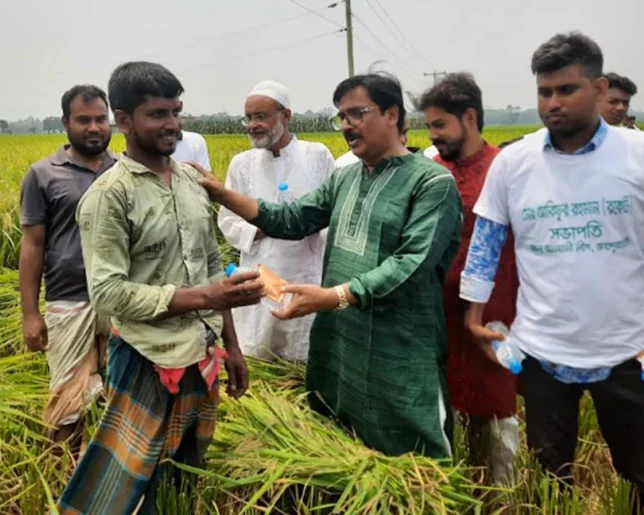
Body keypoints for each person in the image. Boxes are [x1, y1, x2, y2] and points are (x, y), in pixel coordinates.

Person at [198, 73, 463, 459]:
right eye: (341, 117)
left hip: (399, 343)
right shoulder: (346, 178)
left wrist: (333, 297)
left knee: (411, 451)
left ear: (392, 114)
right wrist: (222, 193)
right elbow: (292, 219)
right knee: (344, 440)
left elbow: (411, 262)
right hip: (341, 339)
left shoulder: (432, 183)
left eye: (357, 113)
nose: (347, 125)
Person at [460, 32, 644, 512]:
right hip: (542, 352)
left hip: (630, 351)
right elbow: (486, 241)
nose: (552, 103)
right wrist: (473, 315)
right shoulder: (515, 162)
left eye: (566, 90)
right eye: (544, 92)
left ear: (600, 87)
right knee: (549, 482)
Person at [58, 61, 265, 514]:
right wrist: (205, 297)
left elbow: (212, 265)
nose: (172, 124)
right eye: (157, 114)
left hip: (201, 355)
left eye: (176, 111)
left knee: (183, 477)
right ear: (124, 120)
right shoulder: (110, 196)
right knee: (120, 487)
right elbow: (107, 293)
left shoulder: (192, 181)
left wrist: (233, 347)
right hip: (146, 356)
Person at [415, 72, 520, 485]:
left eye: (440, 125)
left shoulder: (504, 169)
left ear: (470, 118)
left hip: (494, 312)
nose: (433, 135)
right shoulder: (430, 172)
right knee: (444, 405)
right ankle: (454, 488)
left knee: (495, 410)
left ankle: (501, 495)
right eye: (429, 126)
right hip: (438, 315)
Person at [19, 84, 117, 454]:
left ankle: (108, 473)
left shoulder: (125, 170)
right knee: (67, 404)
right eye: (83, 120)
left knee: (119, 396)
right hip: (69, 299)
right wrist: (30, 314)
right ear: (65, 122)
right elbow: (33, 245)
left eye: (100, 119)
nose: (94, 128)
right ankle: (61, 470)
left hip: (122, 298)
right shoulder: (43, 174)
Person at [218, 80, 334, 362]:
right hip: (260, 270)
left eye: (260, 116)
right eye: (248, 117)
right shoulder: (241, 164)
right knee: (260, 350)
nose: (252, 125)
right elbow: (227, 219)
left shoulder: (317, 155)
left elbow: (334, 212)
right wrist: (255, 229)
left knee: (302, 354)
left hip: (305, 272)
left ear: (286, 116)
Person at [334, 129, 419, 168]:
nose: (404, 140)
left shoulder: (415, 166)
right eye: (397, 133)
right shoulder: (344, 164)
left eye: (405, 133)